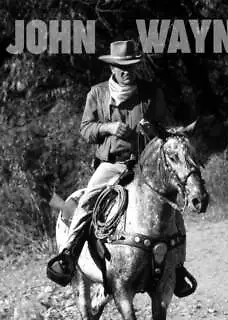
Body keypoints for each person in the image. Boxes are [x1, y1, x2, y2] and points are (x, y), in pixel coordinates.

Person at [47, 40, 196, 297]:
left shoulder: (151, 93)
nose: (127, 71)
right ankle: (69, 255)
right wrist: (108, 128)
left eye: (131, 66)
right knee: (86, 203)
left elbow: (165, 128)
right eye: (121, 66)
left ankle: (178, 267)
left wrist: (154, 130)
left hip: (146, 165)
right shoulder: (97, 93)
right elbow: (85, 129)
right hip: (111, 164)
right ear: (112, 68)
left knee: (173, 208)